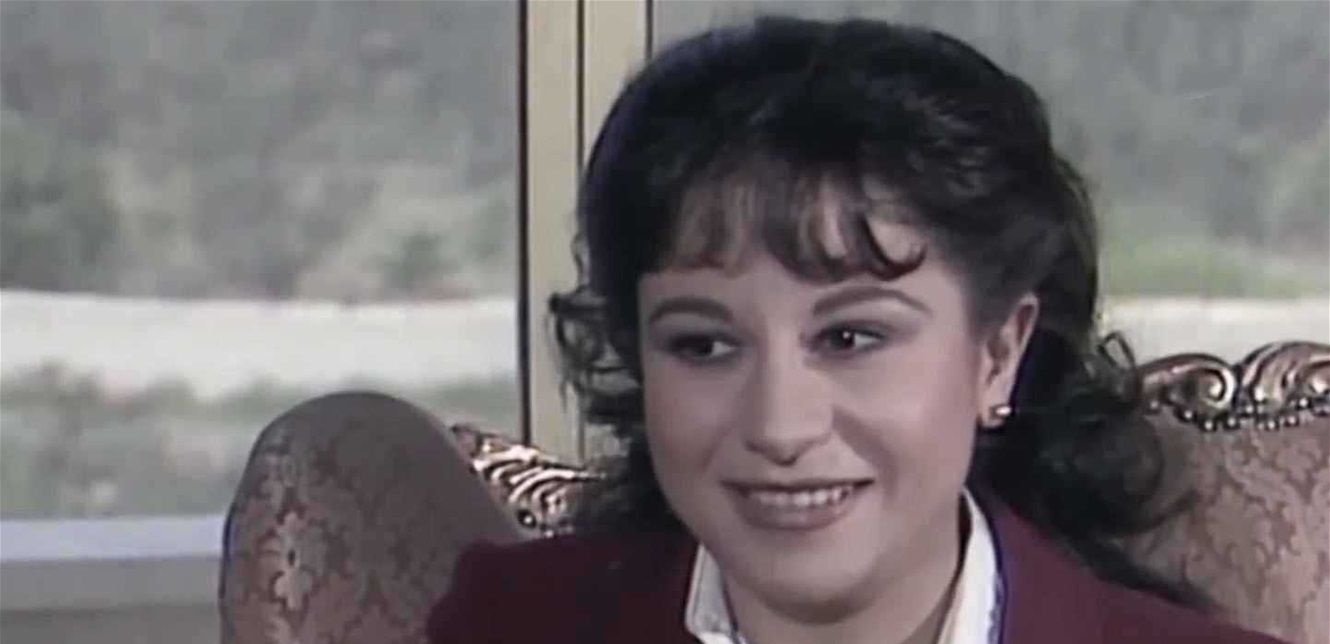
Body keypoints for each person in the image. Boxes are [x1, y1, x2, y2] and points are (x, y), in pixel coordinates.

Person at [428, 16, 1284, 644]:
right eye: (703, 346)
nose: (779, 427)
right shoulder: (511, 624)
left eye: (849, 339)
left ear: (998, 353)